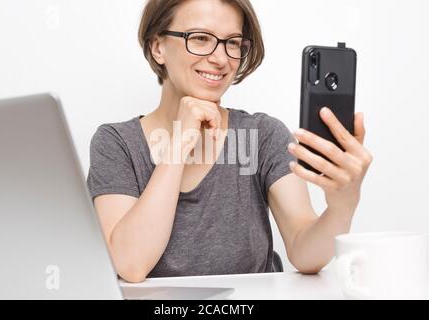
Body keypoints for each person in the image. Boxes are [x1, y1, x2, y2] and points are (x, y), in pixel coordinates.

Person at [87, 0, 372, 283]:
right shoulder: (116, 143)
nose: (221, 59)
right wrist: (179, 145)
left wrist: (342, 205)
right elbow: (130, 264)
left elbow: (305, 252)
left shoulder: (263, 135)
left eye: (233, 43)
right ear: (157, 47)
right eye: (199, 38)